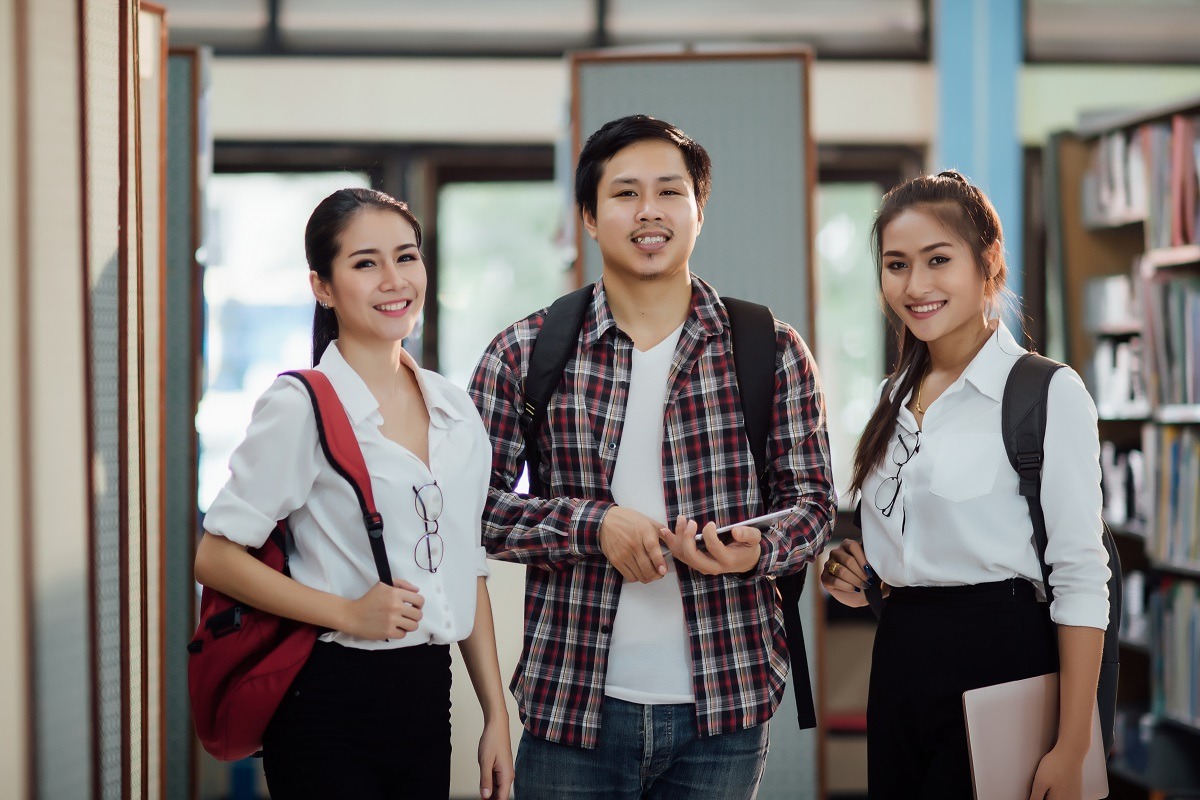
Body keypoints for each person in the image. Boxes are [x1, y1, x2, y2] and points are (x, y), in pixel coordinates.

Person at [468, 114, 836, 799]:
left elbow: (815, 505)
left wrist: (755, 546)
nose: (649, 211)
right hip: (570, 707)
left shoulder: (769, 348)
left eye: (670, 191)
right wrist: (593, 525)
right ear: (588, 215)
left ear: (700, 211)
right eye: (624, 193)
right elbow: (473, 514)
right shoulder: (523, 352)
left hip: (725, 708)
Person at [194, 188, 514, 800]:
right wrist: (348, 613)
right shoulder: (301, 407)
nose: (395, 279)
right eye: (366, 263)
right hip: (325, 695)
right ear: (322, 285)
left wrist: (495, 714)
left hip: (426, 692)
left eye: (407, 256)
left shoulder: (453, 407)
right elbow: (216, 556)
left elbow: (465, 568)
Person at [820, 171, 1110, 799]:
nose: (916, 285)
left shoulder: (1047, 392)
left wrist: (1074, 744)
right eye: (897, 264)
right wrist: (858, 575)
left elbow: (1082, 575)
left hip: (1002, 662)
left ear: (989, 266)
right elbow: (911, 547)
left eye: (938, 260)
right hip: (898, 661)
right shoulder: (887, 397)